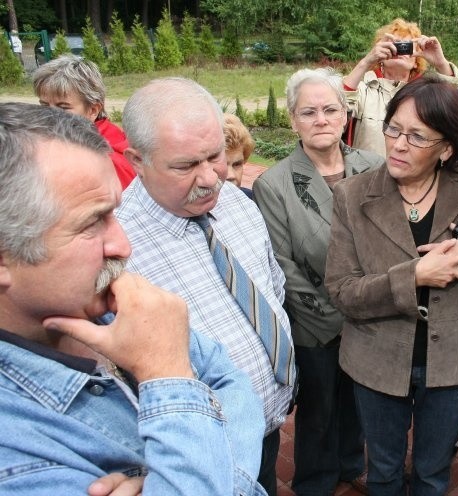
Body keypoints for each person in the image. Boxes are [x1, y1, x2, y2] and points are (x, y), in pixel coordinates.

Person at [0, 102, 267, 496]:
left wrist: (181, 482)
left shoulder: (100, 303)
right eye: (93, 223)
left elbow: (231, 381)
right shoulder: (14, 460)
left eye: (113, 215)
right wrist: (167, 373)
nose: (123, 245)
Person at [117, 77, 296, 496]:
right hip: (198, 461)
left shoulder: (236, 203)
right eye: (184, 165)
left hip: (266, 431)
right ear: (136, 160)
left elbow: (272, 288)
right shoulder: (116, 249)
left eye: (215, 156)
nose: (210, 178)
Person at [324, 76, 458, 495]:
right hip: (376, 359)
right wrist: (413, 277)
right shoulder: (352, 195)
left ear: (447, 148)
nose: (398, 144)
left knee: (433, 472)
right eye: (393, 128)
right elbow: (343, 291)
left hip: (451, 362)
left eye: (417, 136)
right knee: (383, 471)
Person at [253, 67, 384, 496]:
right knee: (320, 409)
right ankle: (315, 481)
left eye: (330, 109)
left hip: (372, 315)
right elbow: (282, 265)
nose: (321, 119)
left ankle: (351, 463)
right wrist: (338, 318)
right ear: (293, 120)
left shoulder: (373, 166)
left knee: (359, 401)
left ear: (345, 114)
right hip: (316, 324)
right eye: (308, 112)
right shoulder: (272, 184)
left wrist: (370, 307)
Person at [343, 18, 458, 157]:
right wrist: (366, 61)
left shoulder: (427, 93)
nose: (398, 50)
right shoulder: (363, 89)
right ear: (381, 55)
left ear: (416, 61)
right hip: (368, 175)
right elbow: (337, 105)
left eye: (405, 46)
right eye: (393, 46)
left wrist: (441, 63)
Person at [32, 54, 135, 189]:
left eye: (63, 107)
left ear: (93, 110)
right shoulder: (63, 141)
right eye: (44, 105)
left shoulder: (108, 162)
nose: (49, 115)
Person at [223, 113, 255, 198]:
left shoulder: (253, 200)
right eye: (222, 165)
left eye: (237, 164)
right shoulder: (191, 209)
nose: (231, 175)